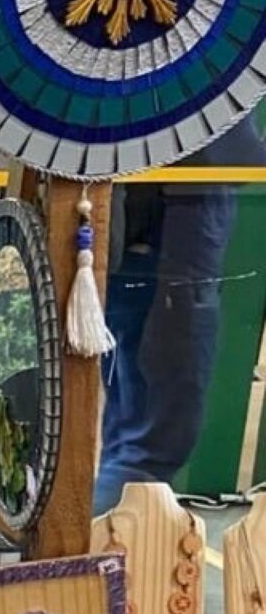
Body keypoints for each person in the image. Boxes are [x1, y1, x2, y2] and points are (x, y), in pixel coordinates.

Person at [94, 117, 265, 514]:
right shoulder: (204, 86)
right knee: (146, 452)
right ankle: (103, 546)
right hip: (171, 249)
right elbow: (241, 157)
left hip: (138, 246)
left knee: (130, 431)